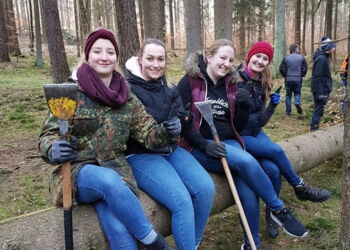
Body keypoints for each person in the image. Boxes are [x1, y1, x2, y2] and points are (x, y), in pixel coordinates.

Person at [39, 29, 177, 250]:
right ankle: (153, 241)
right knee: (108, 180)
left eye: (110, 52)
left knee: (121, 233)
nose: (104, 56)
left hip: (117, 174)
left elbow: (148, 134)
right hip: (75, 173)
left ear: (117, 57)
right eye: (97, 51)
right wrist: (53, 148)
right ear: (87, 55)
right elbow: (48, 135)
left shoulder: (126, 97)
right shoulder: (70, 93)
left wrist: (167, 131)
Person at [177, 39, 308, 250]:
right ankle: (279, 210)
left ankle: (251, 244)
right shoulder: (190, 82)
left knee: (247, 191)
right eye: (222, 58)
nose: (227, 64)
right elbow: (183, 123)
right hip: (198, 147)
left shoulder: (232, 83)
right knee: (246, 160)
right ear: (209, 57)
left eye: (230, 60)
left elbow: (236, 125)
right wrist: (204, 145)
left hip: (228, 142)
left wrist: (244, 107)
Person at [124, 38, 215, 250]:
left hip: (171, 150)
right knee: (182, 202)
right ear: (140, 60)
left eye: (160, 59)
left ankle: (191, 244)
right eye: (150, 59)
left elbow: (180, 115)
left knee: (206, 188)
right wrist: (163, 128)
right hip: (140, 154)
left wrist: (185, 121)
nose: (156, 64)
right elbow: (132, 129)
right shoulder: (128, 90)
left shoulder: (169, 88)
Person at [237, 41, 331, 239]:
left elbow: (261, 121)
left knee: (273, 170)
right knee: (276, 151)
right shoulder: (235, 80)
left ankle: (272, 213)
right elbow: (232, 120)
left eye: (265, 59)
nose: (260, 61)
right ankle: (299, 186)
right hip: (237, 136)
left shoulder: (261, 81)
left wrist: (271, 106)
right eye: (258, 56)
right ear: (249, 56)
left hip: (255, 133)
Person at [310, 37, 336, 131]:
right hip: (320, 90)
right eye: (332, 47)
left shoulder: (324, 58)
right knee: (318, 110)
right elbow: (318, 77)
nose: (334, 49)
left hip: (323, 89)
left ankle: (315, 127)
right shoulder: (322, 59)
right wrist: (320, 93)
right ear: (328, 48)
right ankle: (314, 129)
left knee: (320, 110)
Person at [279, 44, 308, 115]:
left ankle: (288, 111)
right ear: (295, 49)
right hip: (298, 79)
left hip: (288, 79)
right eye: (298, 48)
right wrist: (302, 74)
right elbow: (305, 67)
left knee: (288, 95)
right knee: (297, 93)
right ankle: (297, 102)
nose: (299, 50)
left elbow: (281, 68)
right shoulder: (301, 58)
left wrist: (285, 75)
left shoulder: (286, 58)